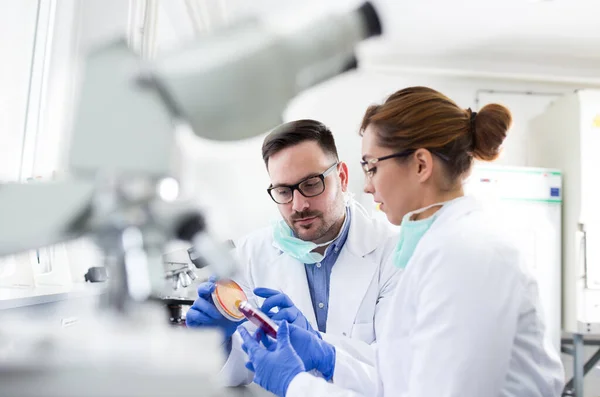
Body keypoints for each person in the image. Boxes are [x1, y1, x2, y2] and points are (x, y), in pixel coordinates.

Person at [238, 87, 565, 397]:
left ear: (421, 165)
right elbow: (401, 379)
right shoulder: (435, 251)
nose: (367, 187)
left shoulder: (469, 254)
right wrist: (327, 355)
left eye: (372, 166)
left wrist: (294, 384)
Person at [186, 119, 401, 387]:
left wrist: (323, 351)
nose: (299, 205)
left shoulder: (394, 254)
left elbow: (399, 371)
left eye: (311, 184)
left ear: (342, 177)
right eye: (284, 191)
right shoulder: (250, 255)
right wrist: (220, 342)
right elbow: (244, 368)